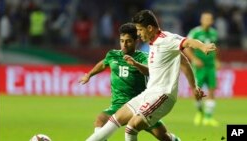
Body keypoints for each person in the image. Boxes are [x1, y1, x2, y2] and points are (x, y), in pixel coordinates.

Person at [86, 10, 216, 141]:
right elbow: (184, 62)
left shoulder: (167, 39)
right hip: (149, 93)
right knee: (114, 120)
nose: (138, 34)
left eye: (140, 30)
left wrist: (203, 46)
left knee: (131, 128)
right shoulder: (154, 44)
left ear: (149, 28)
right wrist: (194, 87)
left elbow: (188, 42)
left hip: (163, 95)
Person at [81, 23, 183, 140]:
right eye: (122, 40)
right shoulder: (113, 55)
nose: (124, 44)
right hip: (118, 105)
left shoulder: (143, 57)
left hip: (141, 105)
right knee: (100, 120)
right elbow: (103, 64)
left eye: (128, 41)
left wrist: (136, 64)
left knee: (163, 136)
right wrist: (89, 75)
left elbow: (150, 71)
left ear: (136, 41)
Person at [186, 11, 220, 127]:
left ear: (212, 21)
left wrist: (216, 60)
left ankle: (208, 118)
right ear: (201, 20)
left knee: (211, 90)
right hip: (199, 67)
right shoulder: (195, 32)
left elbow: (216, 48)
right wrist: (194, 59)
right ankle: (200, 112)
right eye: (205, 19)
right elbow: (186, 47)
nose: (207, 21)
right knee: (197, 92)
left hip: (210, 66)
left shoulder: (214, 33)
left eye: (209, 19)